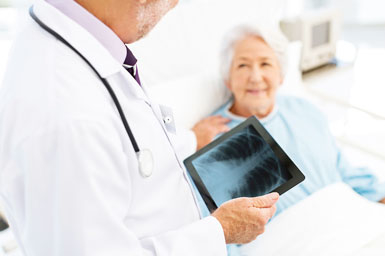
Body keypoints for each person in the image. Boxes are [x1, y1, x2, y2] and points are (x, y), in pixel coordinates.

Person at [0, 1, 280, 255]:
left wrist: (190, 139)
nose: (174, 5)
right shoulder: (67, 116)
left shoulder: (86, 45)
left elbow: (129, 146)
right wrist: (220, 230)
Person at [191, 24, 385, 219]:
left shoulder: (304, 111)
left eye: (265, 64)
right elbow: (222, 229)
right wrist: (191, 144)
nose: (256, 77)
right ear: (228, 79)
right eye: (243, 65)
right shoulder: (211, 139)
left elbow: (345, 172)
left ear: (281, 76)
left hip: (347, 219)